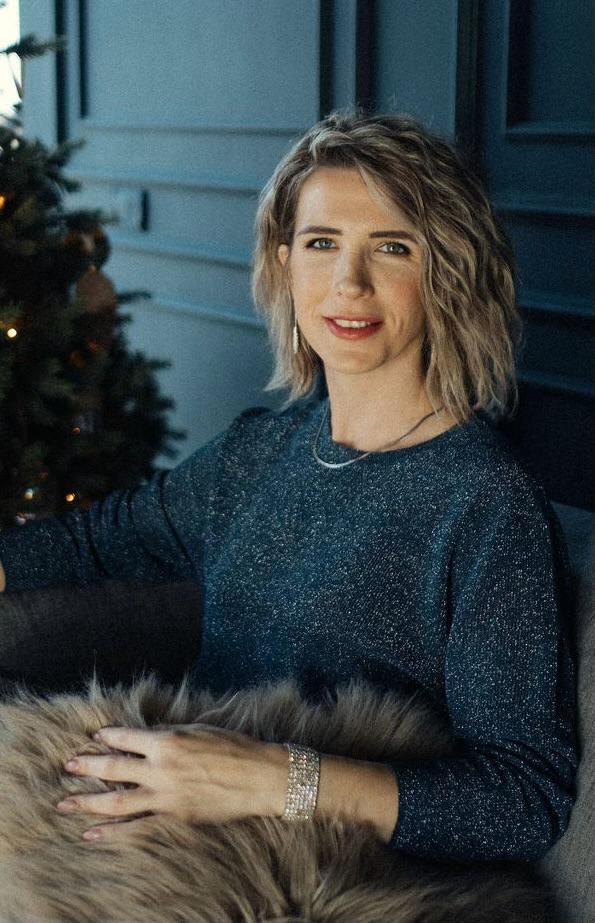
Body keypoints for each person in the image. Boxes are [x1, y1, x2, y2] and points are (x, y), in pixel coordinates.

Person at [0, 109, 578, 862]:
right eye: (321, 243)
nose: (349, 283)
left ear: (447, 272)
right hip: (178, 831)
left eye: (392, 247)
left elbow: (523, 800)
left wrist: (276, 780)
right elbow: (101, 539)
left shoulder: (486, 503)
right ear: (284, 264)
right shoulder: (261, 450)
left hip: (328, 870)